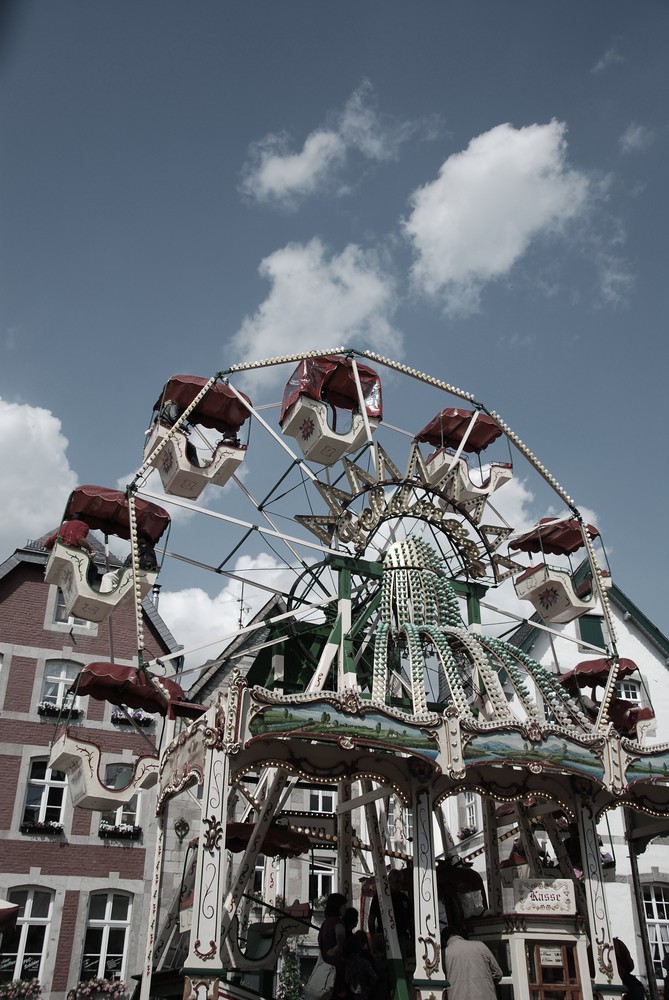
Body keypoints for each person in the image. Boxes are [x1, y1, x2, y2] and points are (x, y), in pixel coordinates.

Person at [442, 931, 503, 1000]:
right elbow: (498, 973)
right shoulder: (481, 946)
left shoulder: (444, 953)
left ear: (444, 941)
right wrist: (487, 983)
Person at [368, 869, 413, 956]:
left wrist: (413, 938)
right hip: (384, 938)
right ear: (389, 881)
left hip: (401, 937)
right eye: (396, 882)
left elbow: (410, 920)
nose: (399, 885)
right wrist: (374, 938)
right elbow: (371, 919)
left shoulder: (404, 898)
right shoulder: (380, 897)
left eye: (401, 882)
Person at [319, 892, 348, 999]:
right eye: (343, 905)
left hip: (325, 965)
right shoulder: (338, 922)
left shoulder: (325, 923)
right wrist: (338, 948)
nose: (345, 908)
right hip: (337, 966)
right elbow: (340, 934)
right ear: (338, 907)